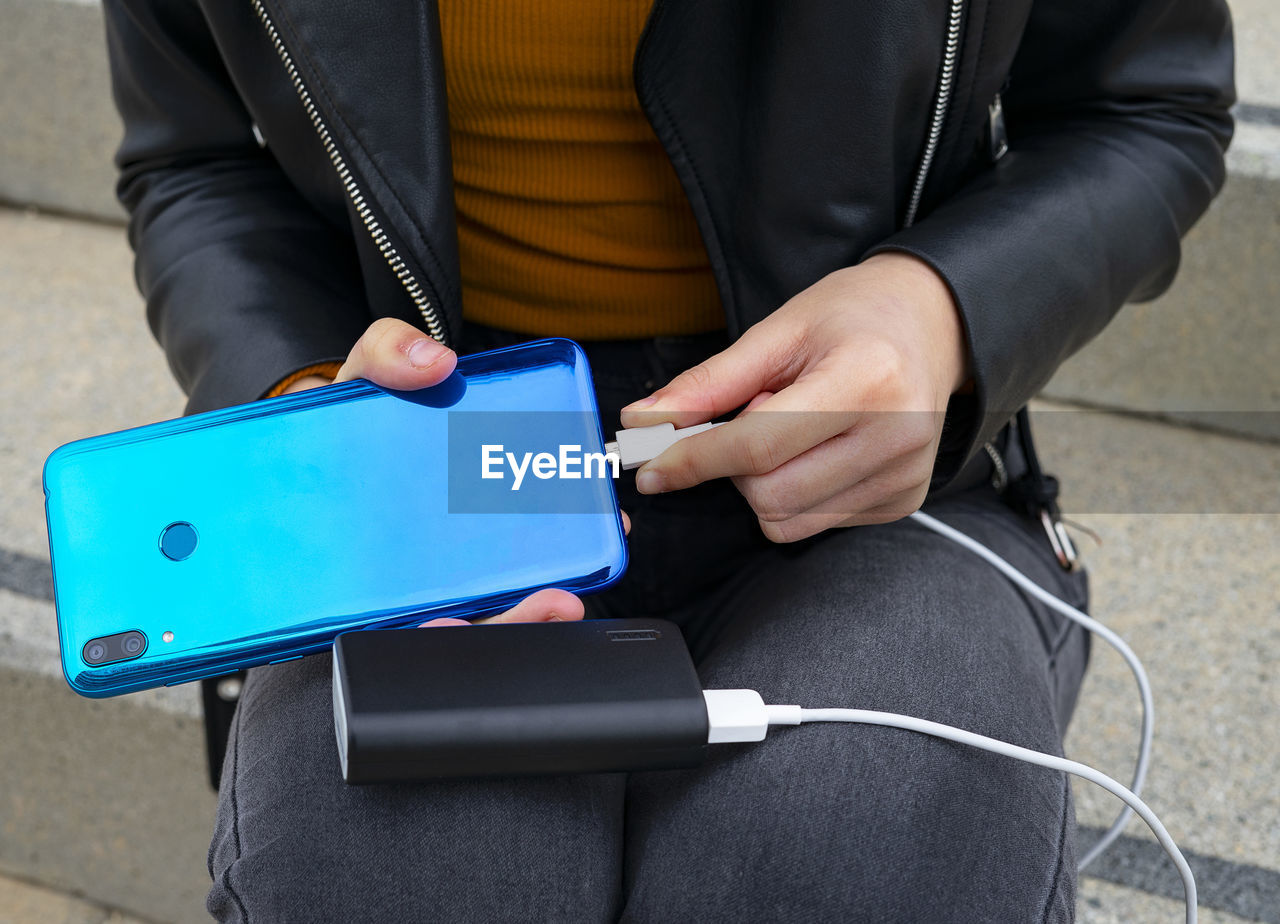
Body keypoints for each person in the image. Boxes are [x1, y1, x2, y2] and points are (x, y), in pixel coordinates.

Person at [102, 1, 1234, 920]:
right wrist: (310, 419)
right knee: (390, 866)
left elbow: (1144, 102)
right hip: (419, 444)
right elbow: (193, 160)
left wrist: (941, 311)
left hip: (859, 452)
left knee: (852, 841)